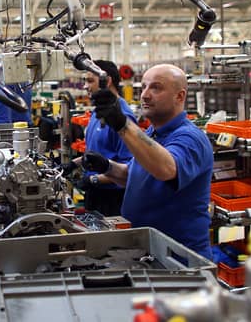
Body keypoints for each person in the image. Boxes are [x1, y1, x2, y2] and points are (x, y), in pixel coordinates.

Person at [84, 63, 213, 259]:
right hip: (149, 249)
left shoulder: (190, 138)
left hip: (179, 258)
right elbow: (134, 176)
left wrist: (122, 125)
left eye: (156, 87)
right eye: (143, 86)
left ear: (180, 96)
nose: (144, 95)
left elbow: (167, 169)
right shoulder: (152, 133)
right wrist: (106, 166)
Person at [61, 60, 136, 216]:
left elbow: (130, 168)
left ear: (106, 80)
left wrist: (94, 179)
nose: (85, 86)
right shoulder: (99, 111)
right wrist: (71, 165)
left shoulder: (123, 117)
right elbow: (96, 153)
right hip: (95, 193)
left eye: (90, 81)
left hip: (112, 198)